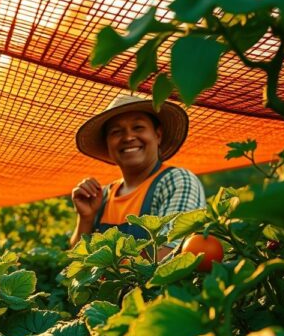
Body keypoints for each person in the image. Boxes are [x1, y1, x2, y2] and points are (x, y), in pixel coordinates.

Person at [70, 94, 206, 258]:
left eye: (138, 127)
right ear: (107, 144)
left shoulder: (176, 181)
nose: (128, 137)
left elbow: (170, 256)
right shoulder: (103, 196)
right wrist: (86, 218)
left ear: (158, 135)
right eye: (116, 132)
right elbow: (78, 261)